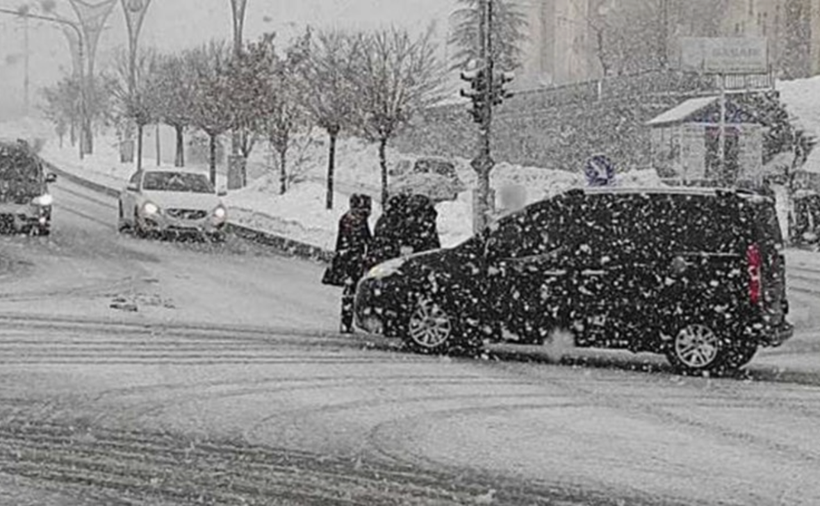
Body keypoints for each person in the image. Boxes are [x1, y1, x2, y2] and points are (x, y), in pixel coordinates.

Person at [324, 193, 372, 333]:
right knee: (353, 291)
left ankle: (346, 322)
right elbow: (366, 239)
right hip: (353, 259)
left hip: (347, 257)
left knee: (350, 290)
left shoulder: (347, 218)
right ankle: (347, 322)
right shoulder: (357, 221)